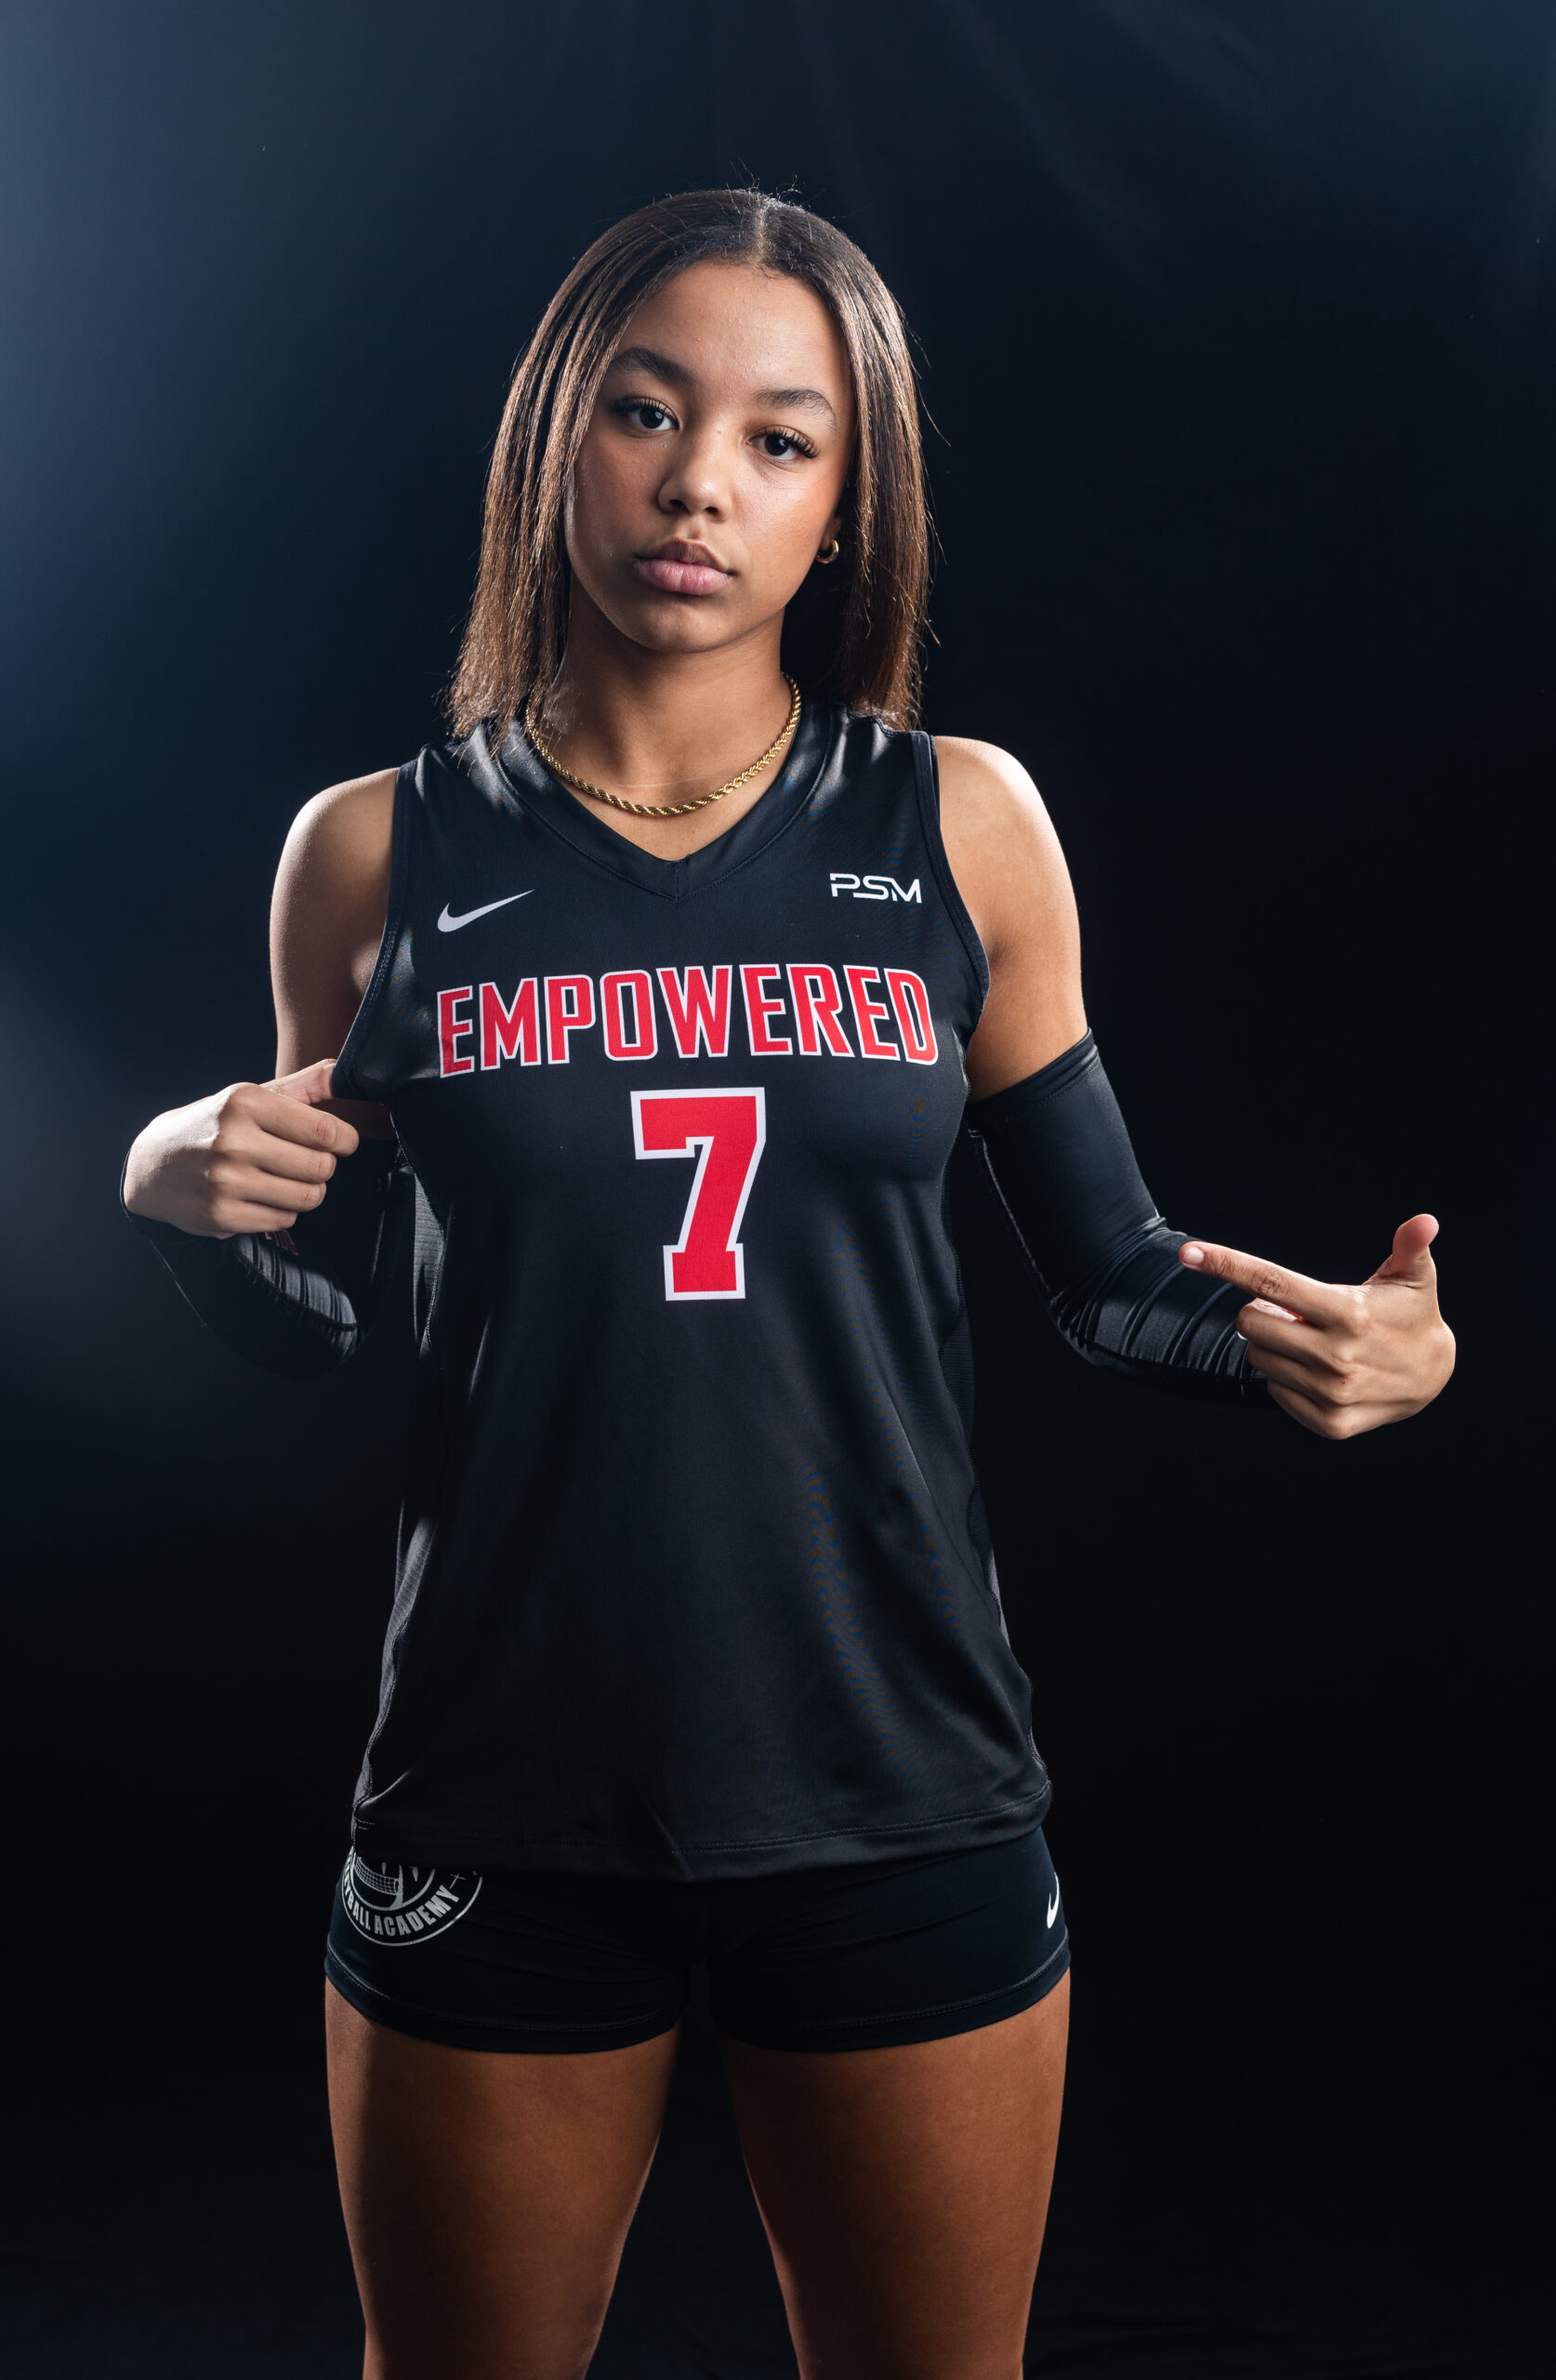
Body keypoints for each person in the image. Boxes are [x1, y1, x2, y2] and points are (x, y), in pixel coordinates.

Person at [120, 190, 1455, 2380]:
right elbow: (316, 1331)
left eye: (776, 439)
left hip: (895, 1779)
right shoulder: (374, 851)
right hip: (498, 1790)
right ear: (556, 436)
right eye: (645, 414)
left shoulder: (959, 823)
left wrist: (1325, 1347)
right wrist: (178, 1190)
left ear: (846, 501)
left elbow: (1108, 1275)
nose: (696, 486)